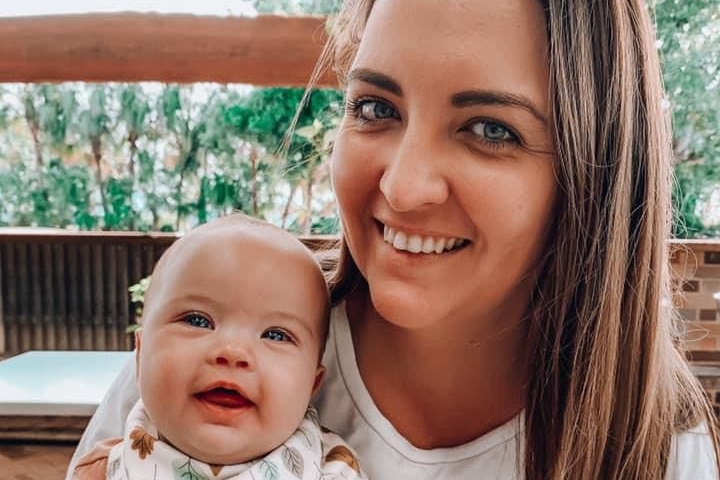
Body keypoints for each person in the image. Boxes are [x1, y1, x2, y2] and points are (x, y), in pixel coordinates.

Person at [68, 0, 720, 479]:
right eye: (376, 108)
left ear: (593, 177)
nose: (405, 188)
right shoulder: (199, 361)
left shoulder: (653, 444)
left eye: (490, 129)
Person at [70, 214, 366, 480]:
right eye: (198, 321)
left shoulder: (334, 471)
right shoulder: (102, 471)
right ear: (140, 352)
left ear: (312, 384)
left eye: (275, 335)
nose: (232, 351)